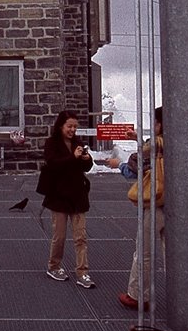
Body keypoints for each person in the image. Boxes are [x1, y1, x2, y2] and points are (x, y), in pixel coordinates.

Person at [107, 107, 165, 310]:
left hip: (155, 202)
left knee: (144, 251)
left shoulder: (154, 146)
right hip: (180, 205)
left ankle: (137, 295)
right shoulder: (181, 143)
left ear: (159, 124)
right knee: (175, 252)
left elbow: (134, 170)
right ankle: (184, 295)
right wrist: (138, 139)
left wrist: (119, 163)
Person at [40, 109, 95, 289]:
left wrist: (87, 159)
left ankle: (83, 272)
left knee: (81, 236)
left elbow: (86, 167)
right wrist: (73, 158)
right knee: (60, 235)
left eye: (75, 127)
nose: (72, 130)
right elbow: (54, 164)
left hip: (78, 195)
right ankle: (54, 266)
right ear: (61, 126)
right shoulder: (51, 143)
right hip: (59, 196)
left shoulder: (77, 142)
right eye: (69, 126)